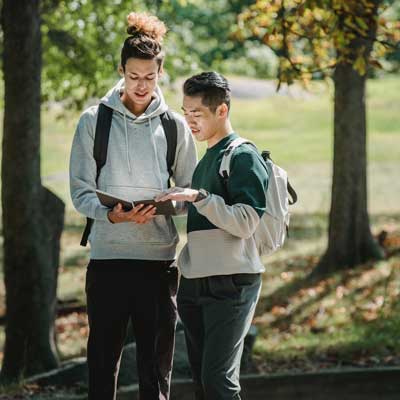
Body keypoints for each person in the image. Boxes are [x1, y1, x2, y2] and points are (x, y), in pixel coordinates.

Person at [69, 12, 197, 400]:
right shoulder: (94, 121)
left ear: (160, 74)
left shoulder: (174, 126)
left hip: (158, 264)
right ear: (122, 70)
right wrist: (111, 214)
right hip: (107, 261)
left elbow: (191, 193)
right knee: (102, 367)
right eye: (134, 76)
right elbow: (80, 191)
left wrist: (164, 207)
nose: (141, 86)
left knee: (154, 374)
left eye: (150, 77)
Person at [156, 71, 268, 400]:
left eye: (197, 114)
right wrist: (165, 205)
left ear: (222, 111)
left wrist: (200, 198)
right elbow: (206, 214)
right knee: (204, 384)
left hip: (231, 283)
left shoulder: (243, 155)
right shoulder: (205, 159)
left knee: (218, 380)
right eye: (185, 112)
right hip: (195, 282)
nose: (189, 121)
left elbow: (246, 221)